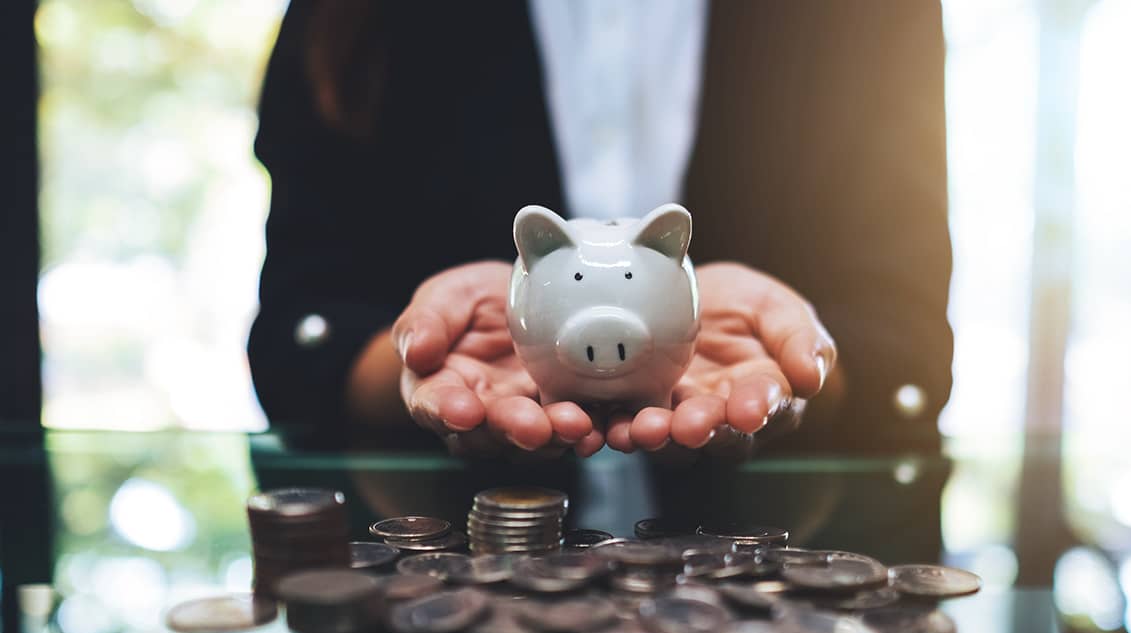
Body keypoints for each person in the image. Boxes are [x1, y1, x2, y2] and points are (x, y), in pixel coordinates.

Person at [247, 1, 952, 460]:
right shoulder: (356, 19)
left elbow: (905, 340)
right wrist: (413, 366)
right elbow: (297, 332)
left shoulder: (869, 17)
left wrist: (811, 368)